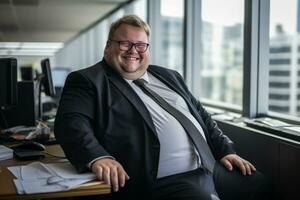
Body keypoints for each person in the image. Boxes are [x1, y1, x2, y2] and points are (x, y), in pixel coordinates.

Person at [54, 14, 272, 200]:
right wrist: (98, 157)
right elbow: (71, 123)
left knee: (258, 183)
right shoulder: (88, 80)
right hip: (163, 179)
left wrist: (225, 150)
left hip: (209, 166)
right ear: (108, 46)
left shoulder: (170, 76)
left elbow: (202, 117)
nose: (133, 51)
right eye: (124, 43)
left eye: (140, 45)